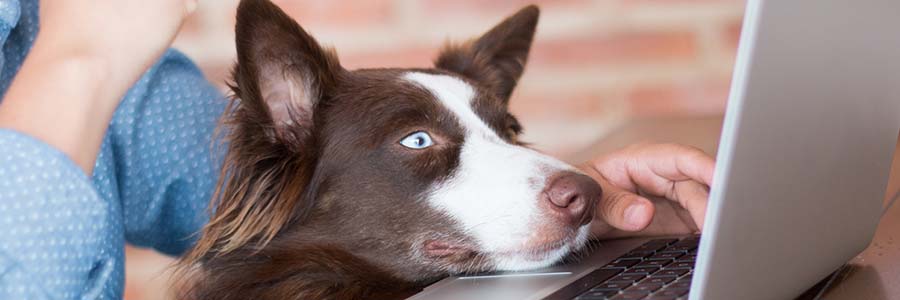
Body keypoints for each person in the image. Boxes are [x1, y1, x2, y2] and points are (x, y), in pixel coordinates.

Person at [0, 1, 715, 299]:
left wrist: (579, 203)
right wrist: (80, 59)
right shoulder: (68, 36)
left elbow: (280, 211)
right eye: (419, 139)